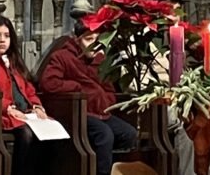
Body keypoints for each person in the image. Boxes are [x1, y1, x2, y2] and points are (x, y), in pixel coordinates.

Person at [38, 20, 137, 175]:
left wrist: (106, 100)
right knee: (105, 135)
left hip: (102, 112)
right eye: (89, 39)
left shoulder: (100, 59)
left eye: (97, 40)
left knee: (129, 134)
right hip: (78, 113)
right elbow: (49, 83)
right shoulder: (62, 56)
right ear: (77, 40)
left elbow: (108, 87)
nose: (94, 44)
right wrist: (76, 87)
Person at [0, 15, 53, 175]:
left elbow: (28, 88)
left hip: (25, 113)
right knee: (26, 134)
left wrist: (37, 106)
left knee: (49, 134)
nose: (2, 41)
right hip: (0, 115)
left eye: (6, 36)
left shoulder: (14, 61)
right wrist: (8, 108)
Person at [152, 0, 196, 175]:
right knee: (188, 123)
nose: (174, 16)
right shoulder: (142, 38)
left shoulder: (186, 40)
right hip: (158, 103)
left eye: (178, 11)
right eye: (169, 10)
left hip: (185, 97)